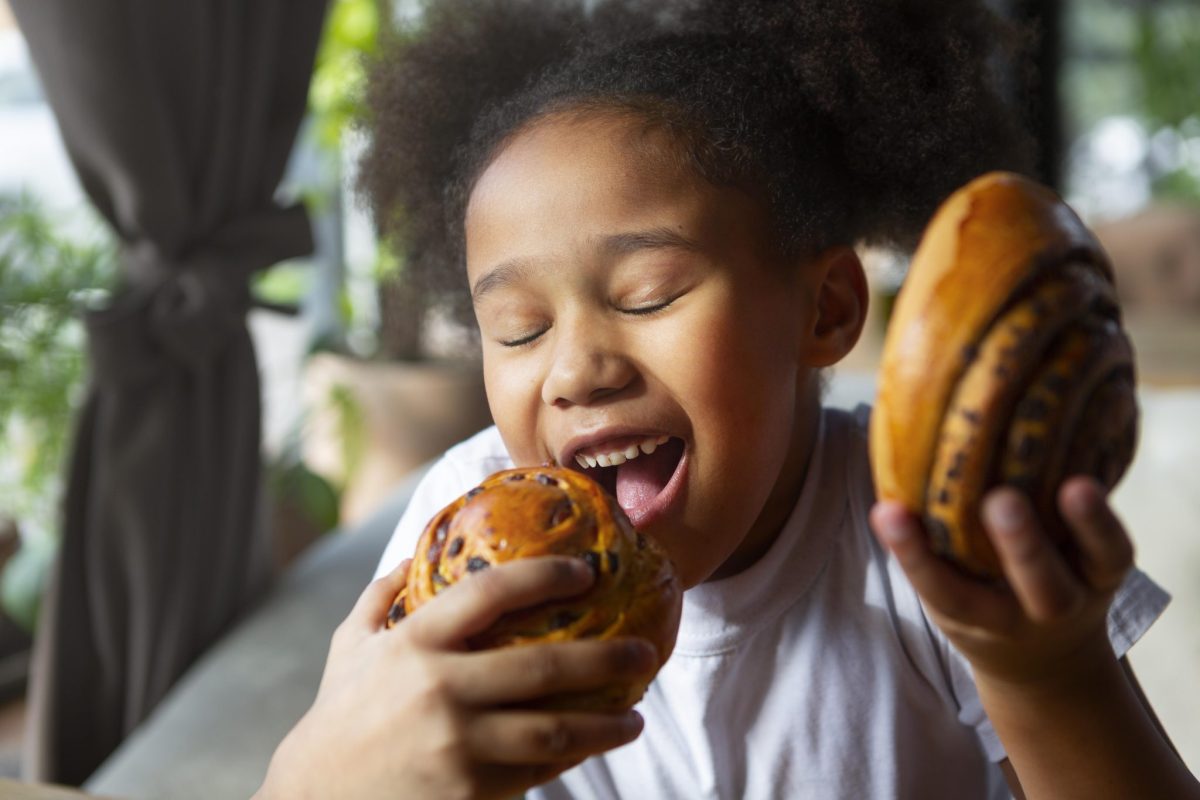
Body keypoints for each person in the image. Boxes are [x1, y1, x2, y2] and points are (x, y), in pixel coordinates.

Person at [256, 1, 1199, 797]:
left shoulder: (928, 533)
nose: (578, 370)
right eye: (518, 329)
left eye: (649, 295)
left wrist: (1043, 669)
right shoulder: (461, 527)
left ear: (824, 311)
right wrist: (323, 771)